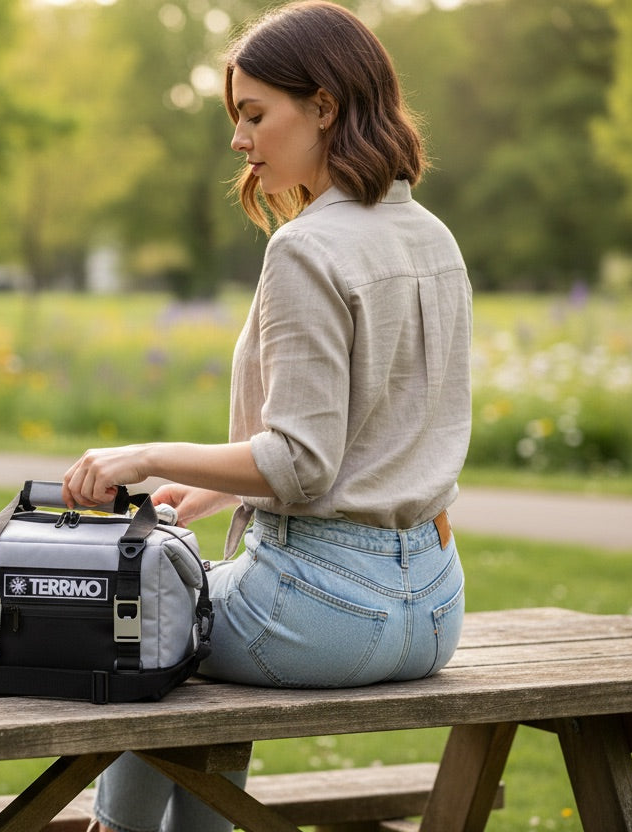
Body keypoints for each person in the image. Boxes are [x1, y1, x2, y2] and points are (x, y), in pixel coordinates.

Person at [63, 2, 471, 830]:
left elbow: (299, 466)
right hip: (431, 609)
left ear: (324, 106)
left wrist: (146, 459)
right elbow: (356, 446)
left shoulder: (308, 248)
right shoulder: (433, 238)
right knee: (203, 627)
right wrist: (206, 496)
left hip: (322, 612)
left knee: (141, 633)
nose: (241, 141)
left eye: (255, 115)